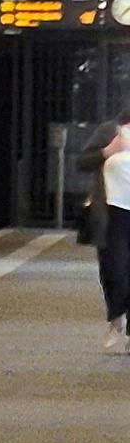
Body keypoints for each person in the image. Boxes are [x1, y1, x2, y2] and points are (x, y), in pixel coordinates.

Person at [99, 117, 130, 354]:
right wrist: (107, 151)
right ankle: (116, 317)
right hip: (115, 211)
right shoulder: (116, 132)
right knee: (115, 269)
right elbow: (83, 162)